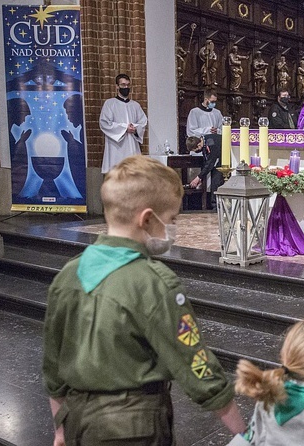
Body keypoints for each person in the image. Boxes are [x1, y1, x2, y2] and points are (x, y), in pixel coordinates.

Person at [42, 156, 246, 445]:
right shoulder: (154, 282)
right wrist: (244, 432)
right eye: (172, 219)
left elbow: (53, 366)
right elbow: (196, 364)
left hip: (76, 419)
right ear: (148, 219)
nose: (173, 227)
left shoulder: (67, 275)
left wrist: (60, 430)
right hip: (133, 426)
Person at [99, 74, 147, 174]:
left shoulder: (135, 105)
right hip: (116, 148)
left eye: (128, 85)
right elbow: (104, 123)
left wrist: (135, 129)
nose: (126, 87)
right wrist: (125, 128)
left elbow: (143, 122)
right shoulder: (110, 104)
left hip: (132, 145)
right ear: (117, 86)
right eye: (123, 85)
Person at [187, 135, 223, 211]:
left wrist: (198, 177)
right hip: (218, 163)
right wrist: (201, 178)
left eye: (196, 150)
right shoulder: (205, 141)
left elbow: (210, 162)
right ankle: (215, 207)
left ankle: (217, 207)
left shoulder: (211, 143)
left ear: (199, 145)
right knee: (214, 182)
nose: (197, 152)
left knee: (216, 182)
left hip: (224, 162)